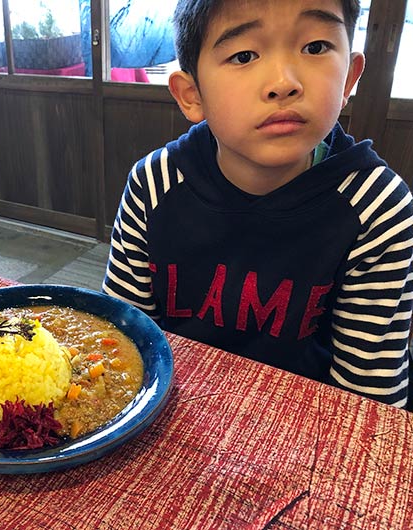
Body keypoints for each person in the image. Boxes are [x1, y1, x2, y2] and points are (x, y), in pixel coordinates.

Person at [103, 0, 413, 408]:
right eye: (245, 55)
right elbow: (120, 341)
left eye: (316, 47)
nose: (283, 83)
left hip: (307, 429)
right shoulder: (153, 184)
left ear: (350, 78)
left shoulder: (377, 207)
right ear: (192, 94)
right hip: (174, 411)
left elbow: (369, 406)